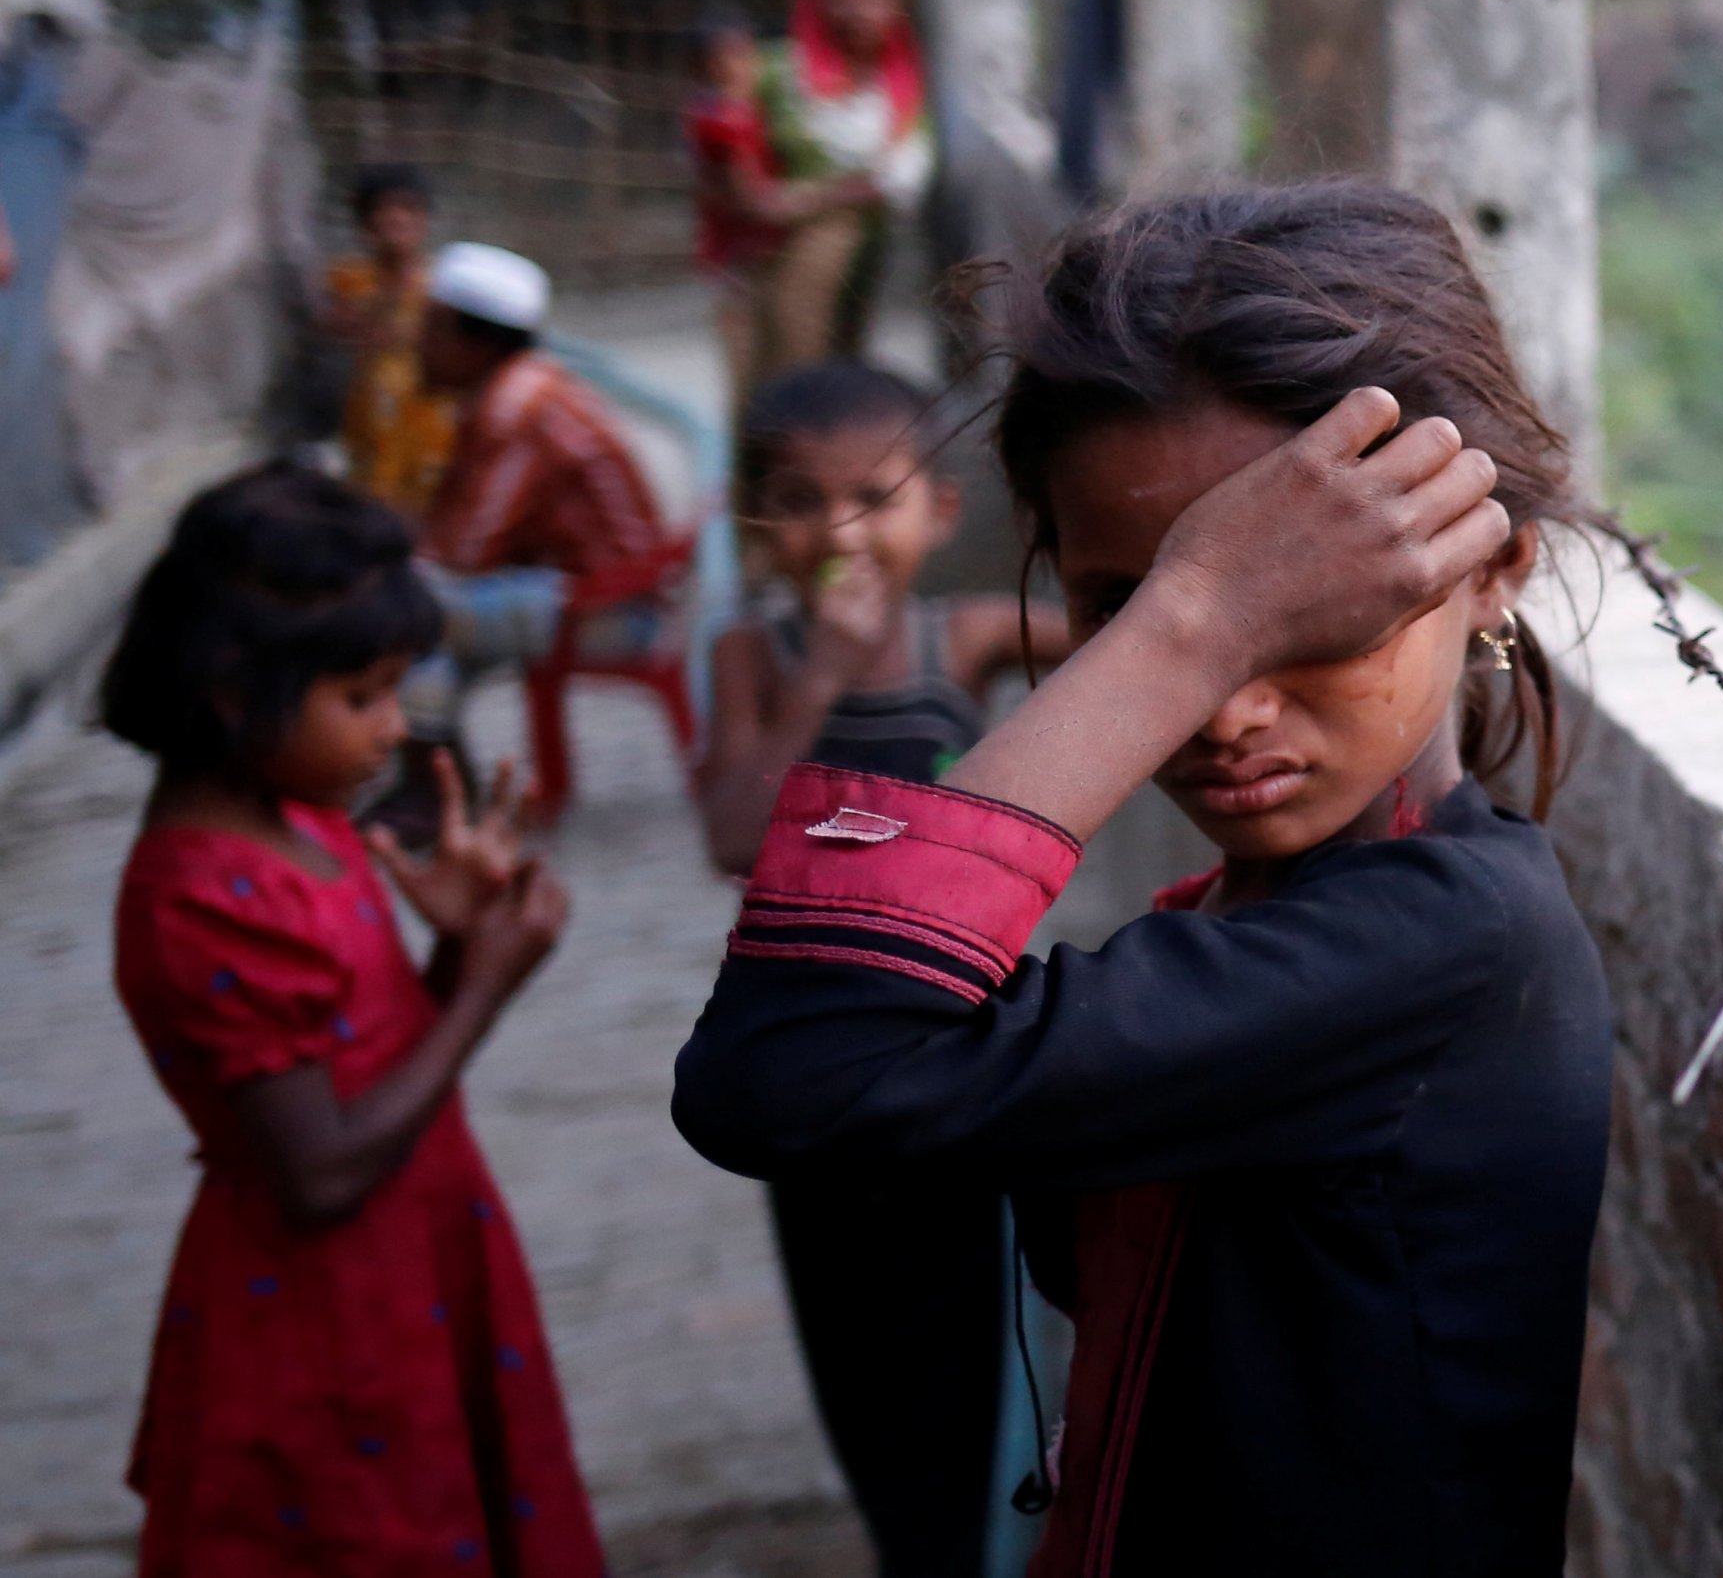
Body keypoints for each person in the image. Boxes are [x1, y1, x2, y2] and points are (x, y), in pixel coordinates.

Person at [673, 182, 1610, 1575]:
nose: (1222, 703)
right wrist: (1196, 608)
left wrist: (1185, 621)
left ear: (1493, 570)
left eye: (1313, 616)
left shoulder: (1448, 942)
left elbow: (791, 1063)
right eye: (1125, 607)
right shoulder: (1255, 920)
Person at [103, 461, 602, 1576]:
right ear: (234, 691)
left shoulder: (296, 819)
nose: (393, 731)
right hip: (326, 1316)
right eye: (362, 697)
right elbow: (317, 1171)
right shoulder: (199, 894)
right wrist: (485, 988)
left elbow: (360, 1055)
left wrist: (451, 947)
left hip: (412, 1264)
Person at [690, 361, 1069, 1576]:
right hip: (812, 1067)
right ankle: (908, 1539)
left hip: (953, 1049)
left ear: (938, 512)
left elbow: (1134, 646)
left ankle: (970, 1541)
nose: (838, 531)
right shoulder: (755, 655)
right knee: (853, 1337)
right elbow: (733, 835)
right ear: (756, 523)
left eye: (873, 497)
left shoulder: (953, 642)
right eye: (800, 501)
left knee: (961, 1325)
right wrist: (818, 675)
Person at [387, 241, 667, 810]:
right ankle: (435, 779)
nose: (417, 344)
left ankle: (431, 788)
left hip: (610, 610)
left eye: (431, 329)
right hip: (582, 591)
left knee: (405, 611)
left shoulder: (516, 408)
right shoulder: (512, 390)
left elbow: (463, 552)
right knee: (411, 607)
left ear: (476, 343)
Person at [753, 0, 933, 380]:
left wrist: (827, 193)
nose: (860, 12)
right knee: (792, 358)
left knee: (848, 354)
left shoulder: (907, 84)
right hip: (791, 248)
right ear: (821, 3)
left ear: (895, 3)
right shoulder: (780, 72)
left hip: (871, 251)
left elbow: (903, 176)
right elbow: (731, 142)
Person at [683, 16, 854, 424]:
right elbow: (753, 201)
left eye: (742, 56)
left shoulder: (746, 111)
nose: (736, 67)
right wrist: (840, 193)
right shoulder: (725, 119)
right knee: (753, 381)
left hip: (751, 256)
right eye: (723, 58)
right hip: (741, 263)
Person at [322, 163, 458, 516]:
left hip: (433, 429)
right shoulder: (349, 279)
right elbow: (342, 329)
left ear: (425, 219)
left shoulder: (447, 281)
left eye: (407, 208)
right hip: (371, 426)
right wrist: (394, 283)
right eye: (383, 209)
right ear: (364, 223)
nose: (395, 219)